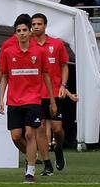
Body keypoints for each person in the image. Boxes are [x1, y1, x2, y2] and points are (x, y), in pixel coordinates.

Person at [0, 14, 56, 183]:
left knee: (30, 133)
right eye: (18, 31)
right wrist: (1, 98)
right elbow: (5, 76)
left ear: (30, 32)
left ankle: (30, 171)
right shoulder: (8, 52)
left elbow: (46, 76)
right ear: (15, 34)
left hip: (33, 100)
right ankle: (32, 155)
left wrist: (51, 100)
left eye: (24, 30)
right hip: (14, 100)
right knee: (16, 136)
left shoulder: (39, 51)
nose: (22, 33)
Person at [29, 11, 75, 174]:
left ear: (45, 26)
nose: (36, 27)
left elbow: (64, 65)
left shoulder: (56, 44)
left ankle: (59, 148)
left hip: (55, 92)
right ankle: (47, 164)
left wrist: (63, 85)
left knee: (57, 129)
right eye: (33, 24)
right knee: (39, 129)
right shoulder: (28, 45)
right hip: (35, 94)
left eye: (39, 24)